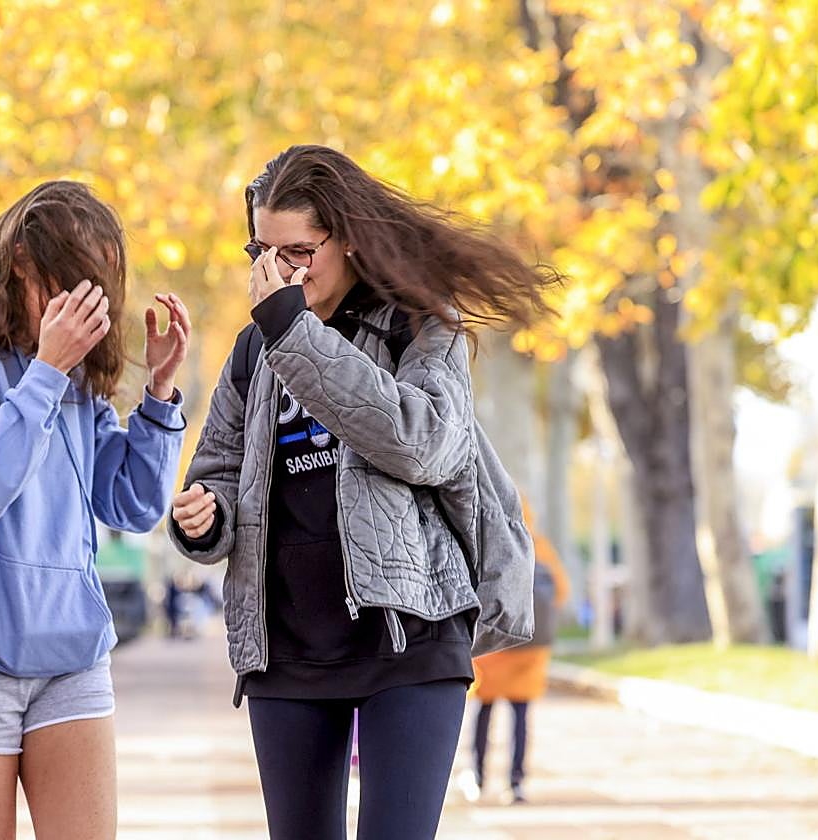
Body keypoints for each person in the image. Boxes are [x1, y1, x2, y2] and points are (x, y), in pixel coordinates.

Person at [167, 145, 558, 840]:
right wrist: (205, 516)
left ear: (345, 238)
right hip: (287, 651)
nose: (277, 270)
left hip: (409, 636)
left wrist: (294, 332)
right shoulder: (255, 351)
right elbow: (219, 471)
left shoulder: (416, 324)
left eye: (298, 250)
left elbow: (425, 442)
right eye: (261, 249)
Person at [0, 181, 190, 840]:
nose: (80, 306)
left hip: (72, 654)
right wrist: (48, 372)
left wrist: (160, 397)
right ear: (20, 259)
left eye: (95, 290)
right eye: (67, 284)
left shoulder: (71, 369)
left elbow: (133, 503)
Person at [464, 500, 570, 805]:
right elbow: (561, 593)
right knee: (520, 716)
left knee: (483, 714)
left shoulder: (486, 544)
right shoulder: (541, 547)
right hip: (529, 649)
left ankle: (478, 776)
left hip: (492, 649)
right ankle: (516, 782)